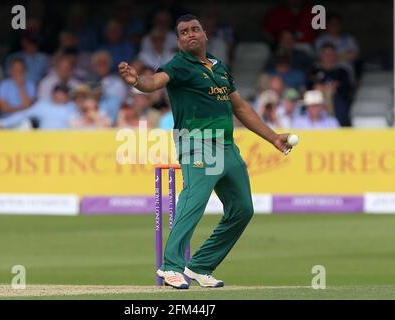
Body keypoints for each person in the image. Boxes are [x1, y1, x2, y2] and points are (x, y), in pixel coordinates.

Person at [118, 14, 292, 289]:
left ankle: (200, 265)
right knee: (194, 201)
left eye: (195, 29)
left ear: (205, 34)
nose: (190, 34)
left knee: (243, 210)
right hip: (196, 142)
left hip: (226, 145)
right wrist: (136, 80)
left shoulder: (219, 66)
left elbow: (241, 108)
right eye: (184, 32)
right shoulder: (178, 64)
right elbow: (154, 83)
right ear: (178, 40)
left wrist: (273, 138)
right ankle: (171, 267)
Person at [0, 83, 78, 130]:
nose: (62, 96)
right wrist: (5, 122)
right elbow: (25, 114)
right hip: (44, 140)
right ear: (53, 94)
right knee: (24, 125)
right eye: (60, 93)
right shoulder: (43, 106)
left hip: (66, 141)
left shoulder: (72, 107)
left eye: (64, 94)